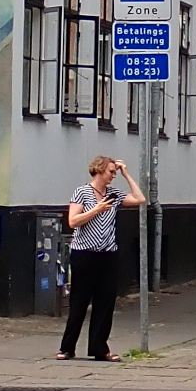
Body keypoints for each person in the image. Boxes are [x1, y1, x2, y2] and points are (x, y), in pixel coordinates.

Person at [60, 155, 146, 362]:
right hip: (84, 254)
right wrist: (96, 210)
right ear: (98, 170)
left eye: (115, 173)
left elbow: (140, 199)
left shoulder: (114, 194)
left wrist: (127, 174)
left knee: (105, 303)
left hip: (107, 254)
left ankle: (100, 348)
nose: (113, 176)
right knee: (79, 301)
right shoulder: (82, 192)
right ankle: (67, 347)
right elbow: (73, 221)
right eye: (111, 172)